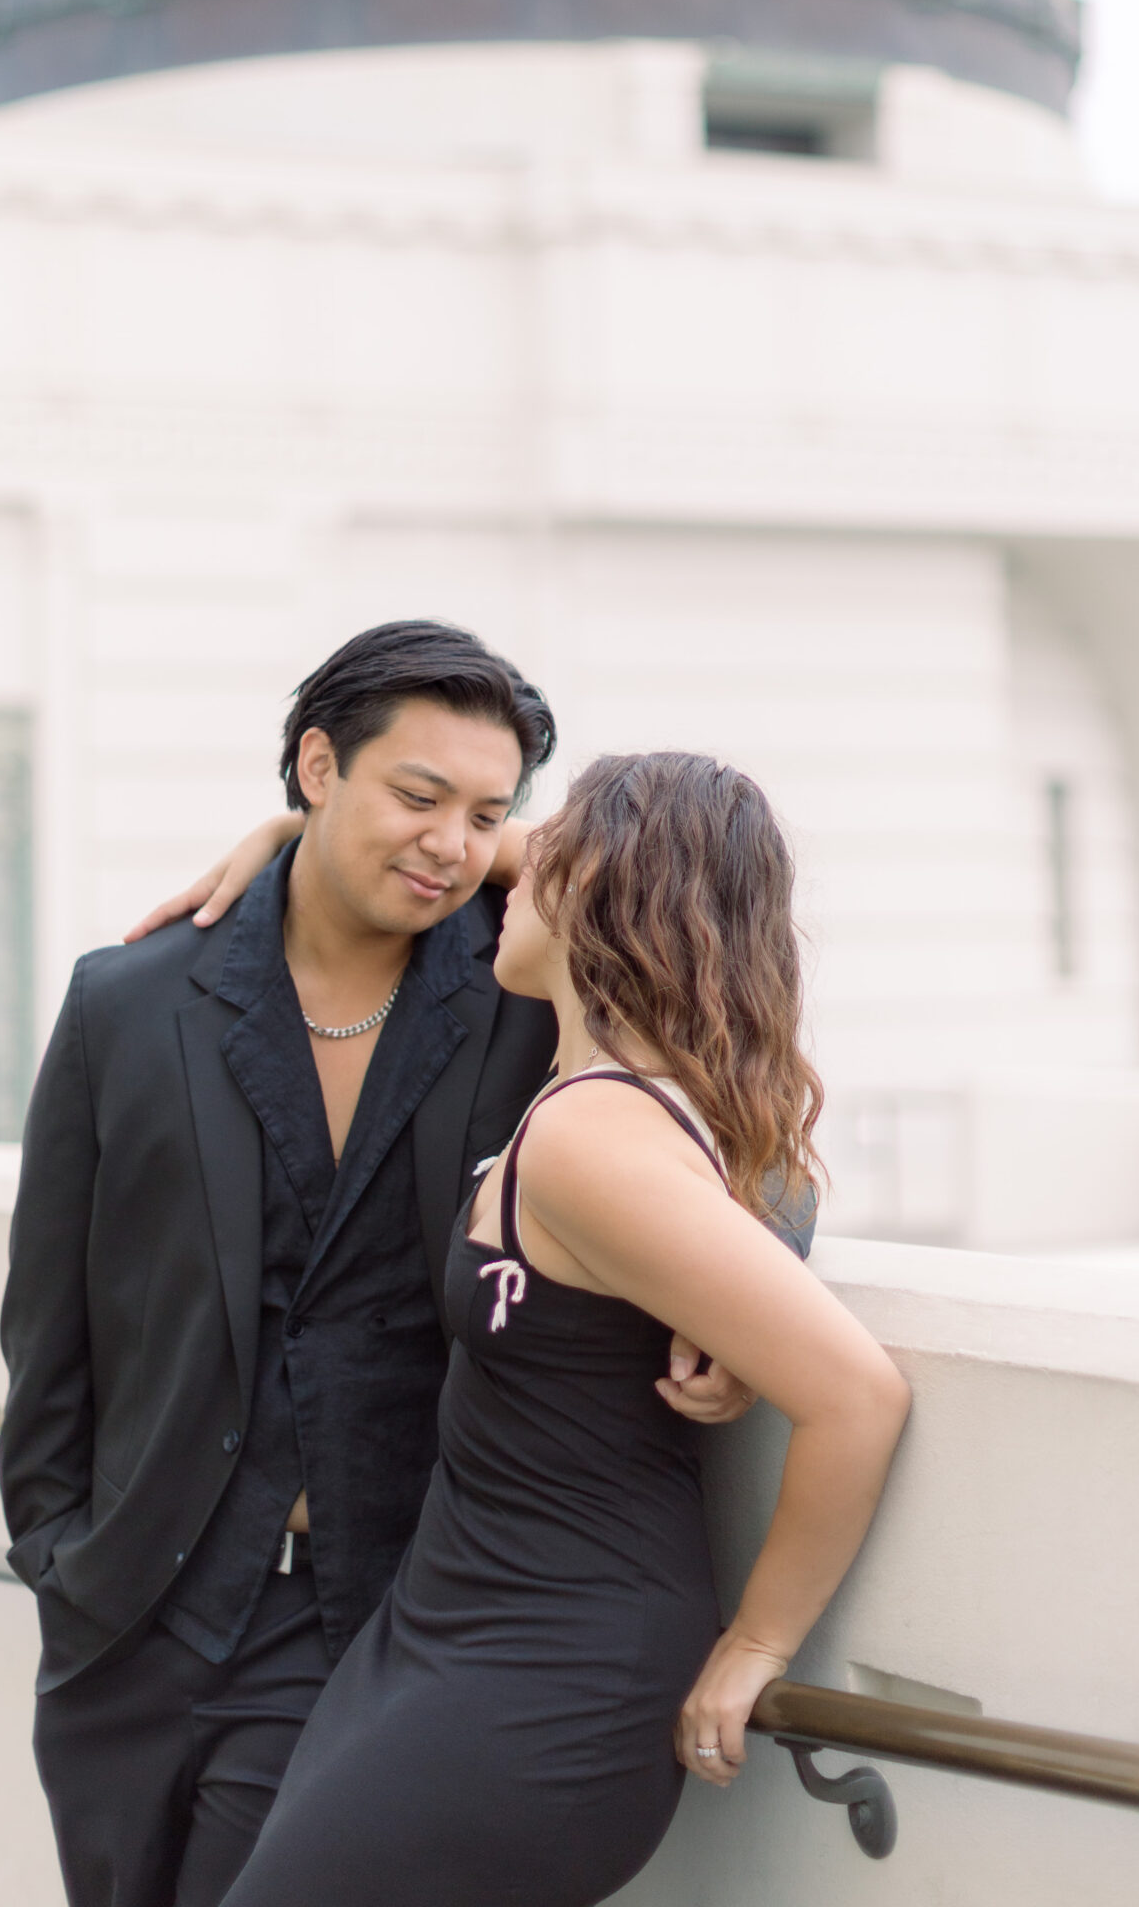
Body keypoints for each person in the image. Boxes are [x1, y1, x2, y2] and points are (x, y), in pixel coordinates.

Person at [0, 622, 757, 1907]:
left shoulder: (533, 993)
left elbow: (752, 1115)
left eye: (488, 813)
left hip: (377, 1620)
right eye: (417, 795)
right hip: (130, 1620)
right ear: (314, 766)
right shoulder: (128, 1001)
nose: (452, 843)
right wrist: (59, 1562)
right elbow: (50, 1319)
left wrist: (737, 1303)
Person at [211, 750, 913, 1907]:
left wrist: (757, 1644)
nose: (499, 864)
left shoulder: (598, 1135)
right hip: (456, 1630)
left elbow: (858, 1395)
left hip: (543, 1672)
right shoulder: (655, 1104)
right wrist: (296, 836)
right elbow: (781, 1188)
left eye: (542, 853)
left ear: (594, 894)